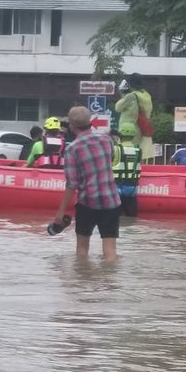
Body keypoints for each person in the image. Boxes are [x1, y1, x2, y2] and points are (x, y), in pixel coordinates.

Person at [53, 107, 122, 261]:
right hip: (111, 201)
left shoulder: (72, 149)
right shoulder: (106, 139)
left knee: (82, 249)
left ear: (71, 125)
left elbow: (72, 184)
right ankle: (110, 283)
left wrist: (60, 212)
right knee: (110, 250)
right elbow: (108, 163)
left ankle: (83, 282)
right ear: (89, 121)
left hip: (88, 203)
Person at [115, 72, 154, 162]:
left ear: (130, 84)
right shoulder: (147, 95)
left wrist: (122, 92)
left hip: (127, 130)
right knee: (137, 154)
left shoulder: (131, 96)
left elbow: (118, 107)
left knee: (124, 155)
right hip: (140, 129)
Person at [113, 121, 142, 218]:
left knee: (116, 219)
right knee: (131, 218)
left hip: (117, 188)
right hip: (132, 188)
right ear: (133, 136)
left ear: (120, 135)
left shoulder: (116, 149)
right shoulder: (138, 150)